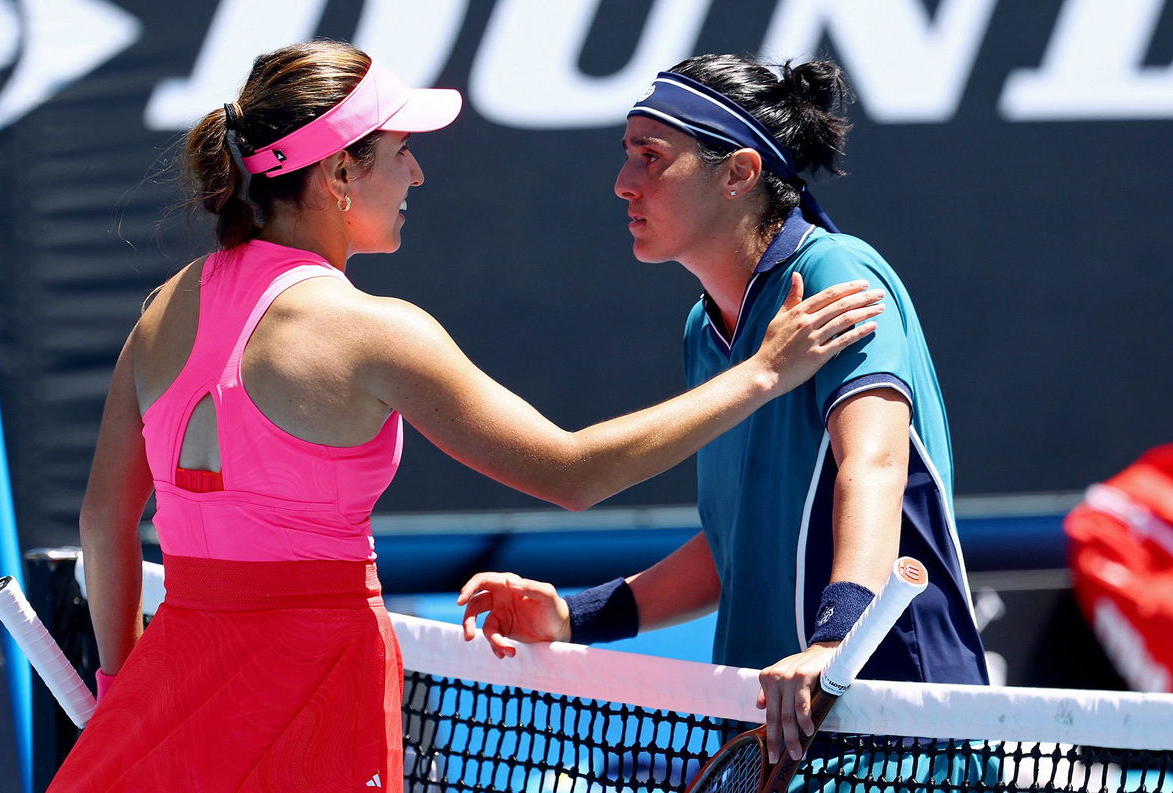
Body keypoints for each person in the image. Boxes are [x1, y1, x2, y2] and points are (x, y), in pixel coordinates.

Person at [47, 42, 883, 793]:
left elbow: (102, 520)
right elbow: (571, 471)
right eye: (400, 154)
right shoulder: (374, 330)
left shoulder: (164, 309)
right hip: (315, 697)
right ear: (339, 177)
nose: (415, 176)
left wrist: (124, 692)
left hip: (168, 691)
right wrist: (765, 373)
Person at [458, 54, 990, 768]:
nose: (623, 183)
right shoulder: (704, 333)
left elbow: (875, 463)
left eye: (652, 158)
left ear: (738, 173)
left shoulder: (837, 274)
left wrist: (833, 644)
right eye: (627, 156)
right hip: (770, 732)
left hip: (890, 724)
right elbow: (731, 547)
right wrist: (572, 614)